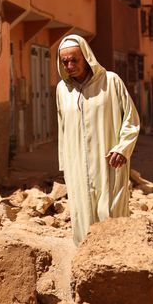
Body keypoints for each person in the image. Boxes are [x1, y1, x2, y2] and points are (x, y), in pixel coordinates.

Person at [56, 34, 140, 245]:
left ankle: (118, 262)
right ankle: (87, 265)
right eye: (65, 61)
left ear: (86, 57)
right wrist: (66, 164)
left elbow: (131, 119)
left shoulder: (111, 82)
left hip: (109, 162)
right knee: (82, 215)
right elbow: (62, 129)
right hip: (77, 167)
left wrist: (123, 149)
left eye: (74, 59)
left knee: (112, 212)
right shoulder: (62, 90)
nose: (69, 65)